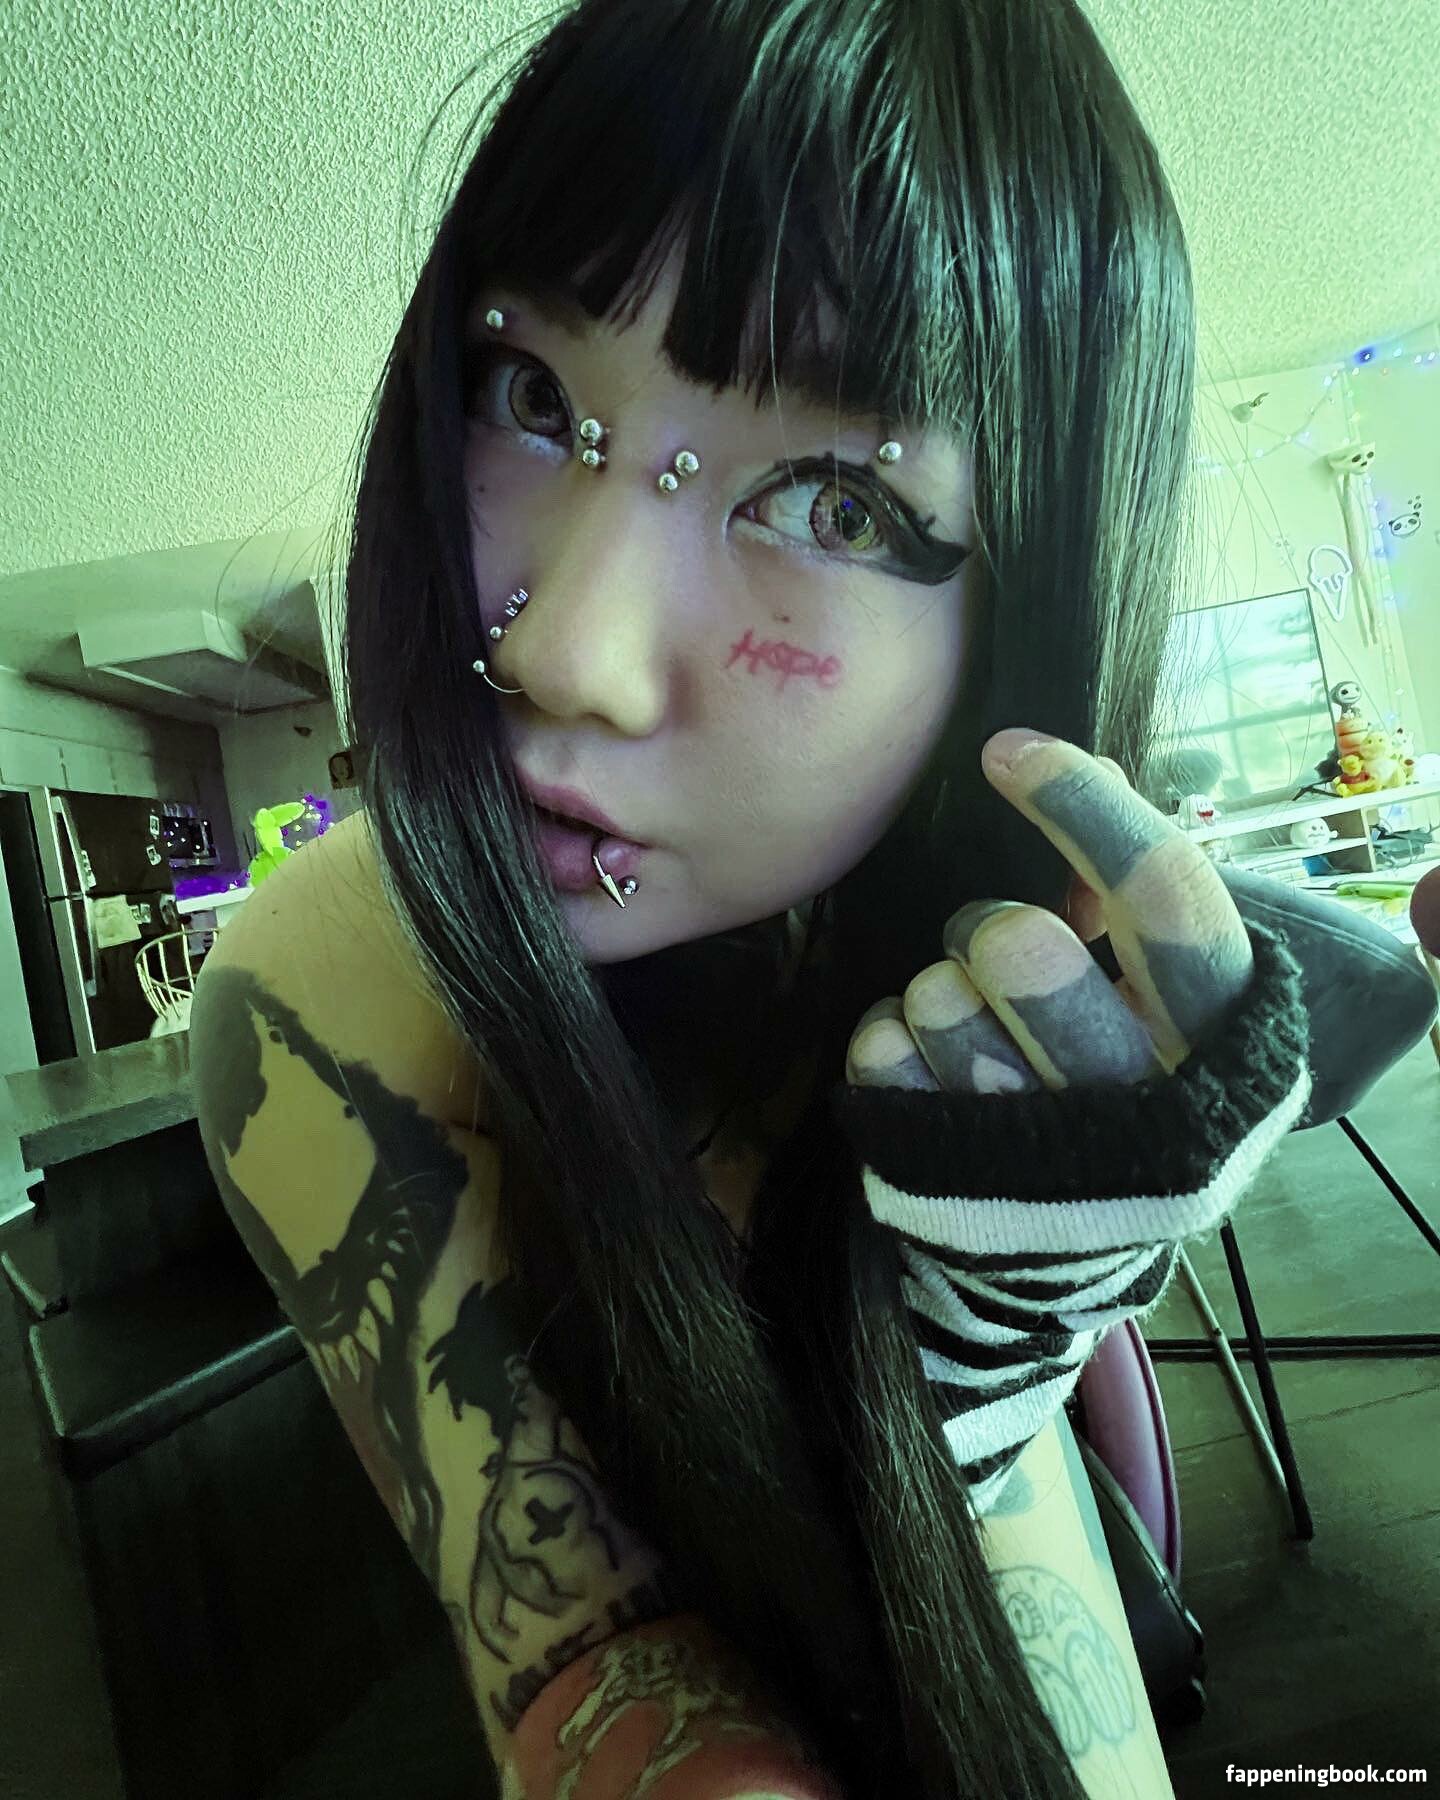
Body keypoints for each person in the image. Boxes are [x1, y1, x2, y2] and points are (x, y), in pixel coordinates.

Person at [188, 2, 1434, 1796]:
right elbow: (624, 1700)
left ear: (1016, 628)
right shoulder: (351, 952)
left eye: (837, 505)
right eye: (533, 397)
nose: (568, 651)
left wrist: (978, 1389)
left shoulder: (958, 952)